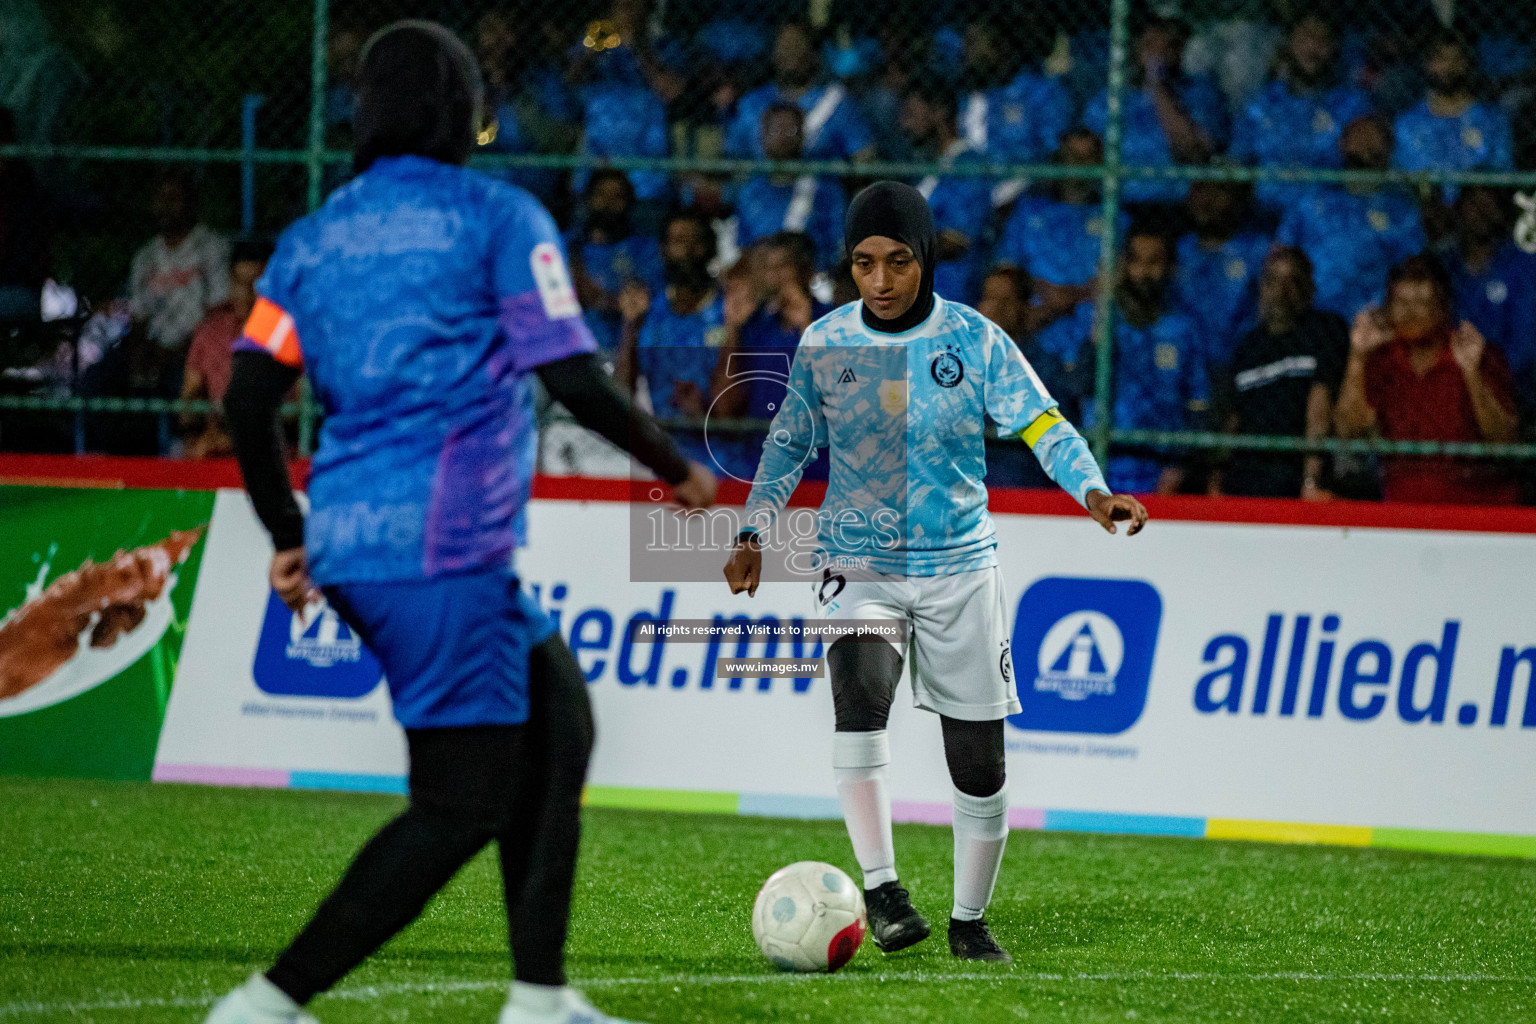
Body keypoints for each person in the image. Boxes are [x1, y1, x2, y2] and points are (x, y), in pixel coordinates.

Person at [208, 23, 714, 1024]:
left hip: (355, 535)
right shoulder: (497, 216)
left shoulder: (313, 239)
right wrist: (676, 466)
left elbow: (248, 397)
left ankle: (539, 997)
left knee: (559, 722)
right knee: (460, 802)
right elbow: (569, 373)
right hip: (445, 544)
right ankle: (268, 1003)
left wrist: (285, 532)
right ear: (465, 114)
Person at [722, 181, 1147, 963]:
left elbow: (1043, 423)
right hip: (859, 560)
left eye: (897, 263)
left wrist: (1091, 489)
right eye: (863, 264)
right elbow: (787, 444)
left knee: (979, 762)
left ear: (925, 261)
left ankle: (968, 921)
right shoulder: (825, 344)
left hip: (961, 568)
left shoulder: (977, 341)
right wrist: (753, 529)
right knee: (860, 698)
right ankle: (883, 894)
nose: (879, 282)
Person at [1335, 253, 1518, 504]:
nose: (1410, 312)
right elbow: (1350, 432)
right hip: (1404, 509)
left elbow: (1505, 441)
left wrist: (1471, 373)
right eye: (1401, 302)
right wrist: (1357, 358)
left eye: (1422, 302)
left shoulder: (1479, 354)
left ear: (1443, 308)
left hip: (1478, 509)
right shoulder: (1381, 359)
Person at [1059, 227, 1210, 494]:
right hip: (1101, 470)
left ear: (1171, 267)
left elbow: (1197, 407)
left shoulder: (1184, 329)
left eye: (1154, 262)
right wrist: (1104, 304)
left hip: (1163, 476)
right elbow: (1080, 386)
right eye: (1136, 261)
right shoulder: (1094, 320)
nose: (1144, 272)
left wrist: (1177, 469)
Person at [1216, 247, 1348, 499]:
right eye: (1272, 280)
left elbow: (1319, 406)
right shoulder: (1247, 347)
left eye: (1293, 281)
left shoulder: (1324, 331)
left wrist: (1311, 481)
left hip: (1294, 481)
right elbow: (1232, 419)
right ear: (1261, 288)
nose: (1281, 292)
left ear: (1309, 290)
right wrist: (1216, 484)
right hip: (1246, 480)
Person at [1276, 115, 1425, 322]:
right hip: (1311, 318)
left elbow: (1412, 268)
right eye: (1357, 137)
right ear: (1342, 145)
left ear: (1388, 150)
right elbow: (1282, 252)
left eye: (1373, 139)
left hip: (1373, 321)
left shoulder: (1401, 212)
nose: (1364, 143)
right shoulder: (1311, 203)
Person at [995, 129, 1128, 356]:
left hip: (1093, 338)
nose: (1079, 167)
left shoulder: (1115, 217)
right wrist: (1044, 297)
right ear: (1060, 159)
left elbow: (1118, 275)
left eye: (1088, 159)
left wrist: (1068, 298)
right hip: (1035, 331)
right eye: (1073, 157)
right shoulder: (1029, 212)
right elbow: (1006, 269)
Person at [1230, 12, 1374, 216]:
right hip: (1266, 215)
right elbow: (1238, 159)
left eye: (1323, 39)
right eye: (1306, 36)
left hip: (1328, 219)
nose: (1313, 47)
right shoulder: (1261, 103)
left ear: (1336, 48)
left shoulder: (1353, 105)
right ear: (1289, 43)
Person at [615, 208, 727, 469]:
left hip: (722, 456)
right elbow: (621, 391)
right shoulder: (650, 312)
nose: (687, 251)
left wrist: (702, 413)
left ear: (710, 249)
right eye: (678, 241)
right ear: (664, 250)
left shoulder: (727, 312)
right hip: (660, 454)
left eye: (695, 242)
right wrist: (629, 325)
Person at [1082, 16, 1227, 208]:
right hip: (1119, 203)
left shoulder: (1199, 92)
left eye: (1169, 47)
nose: (1159, 55)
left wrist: (1158, 87)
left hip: (1176, 203)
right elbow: (1088, 153)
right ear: (1136, 50)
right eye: (1150, 46)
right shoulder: (1110, 99)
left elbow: (1193, 152)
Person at [955, 13, 1071, 206]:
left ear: (1001, 48)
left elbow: (1053, 155)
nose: (965, 52)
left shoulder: (1042, 93)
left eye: (974, 43)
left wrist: (1011, 192)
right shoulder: (968, 97)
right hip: (967, 194)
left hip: (1022, 197)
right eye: (965, 42)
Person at [126, 172, 231, 385]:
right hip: (155, 347)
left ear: (191, 203)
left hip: (196, 346)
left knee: (180, 379)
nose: (165, 206)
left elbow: (218, 313)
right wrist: (141, 354)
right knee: (101, 378)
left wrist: (175, 352)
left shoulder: (212, 247)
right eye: (160, 198)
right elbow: (139, 318)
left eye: (173, 198)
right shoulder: (145, 257)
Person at [725, 21, 875, 162]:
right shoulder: (752, 103)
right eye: (784, 46)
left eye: (797, 45)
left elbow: (864, 155)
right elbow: (732, 156)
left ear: (814, 55)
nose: (789, 53)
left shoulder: (836, 103)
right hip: (761, 188)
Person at [1444, 185, 1536, 413]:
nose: (1482, 212)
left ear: (1503, 211)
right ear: (1459, 210)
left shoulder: (1523, 265)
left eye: (1490, 205)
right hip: (1450, 383)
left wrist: (1486, 380)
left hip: (1512, 388)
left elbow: (1524, 344)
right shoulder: (1442, 263)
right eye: (1474, 204)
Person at [901, 81, 992, 307]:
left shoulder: (968, 165)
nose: (904, 124)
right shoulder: (927, 166)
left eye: (911, 113)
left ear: (940, 113)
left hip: (951, 296)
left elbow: (956, 240)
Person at [180, 239, 272, 460]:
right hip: (214, 445)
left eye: (256, 285)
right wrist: (201, 432)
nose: (247, 295)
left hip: (271, 449)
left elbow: (295, 413)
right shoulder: (211, 331)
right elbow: (189, 400)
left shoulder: (287, 333)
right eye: (239, 283)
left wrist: (235, 439)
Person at [1172, 180, 1270, 374]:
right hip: (1186, 364)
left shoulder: (1257, 250)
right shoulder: (1178, 251)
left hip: (1241, 363)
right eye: (1199, 191)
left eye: (1217, 192)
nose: (1206, 201)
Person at [735, 103, 847, 270]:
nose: (783, 137)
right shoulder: (749, 191)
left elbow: (838, 244)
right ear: (763, 136)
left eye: (791, 131)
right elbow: (743, 245)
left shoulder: (826, 189)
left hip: (813, 276)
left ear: (802, 135)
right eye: (774, 130)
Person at [566, 169, 664, 357]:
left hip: (630, 348)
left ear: (629, 203)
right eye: (600, 195)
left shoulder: (645, 249)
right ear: (587, 199)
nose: (607, 204)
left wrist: (601, 298)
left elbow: (648, 300)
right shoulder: (567, 244)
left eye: (617, 196)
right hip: (576, 350)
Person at [1393, 30, 1513, 179]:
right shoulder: (1408, 124)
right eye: (1441, 59)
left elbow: (1502, 172)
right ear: (1428, 64)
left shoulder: (1492, 120)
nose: (1449, 67)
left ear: (1467, 64)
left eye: (1457, 60)